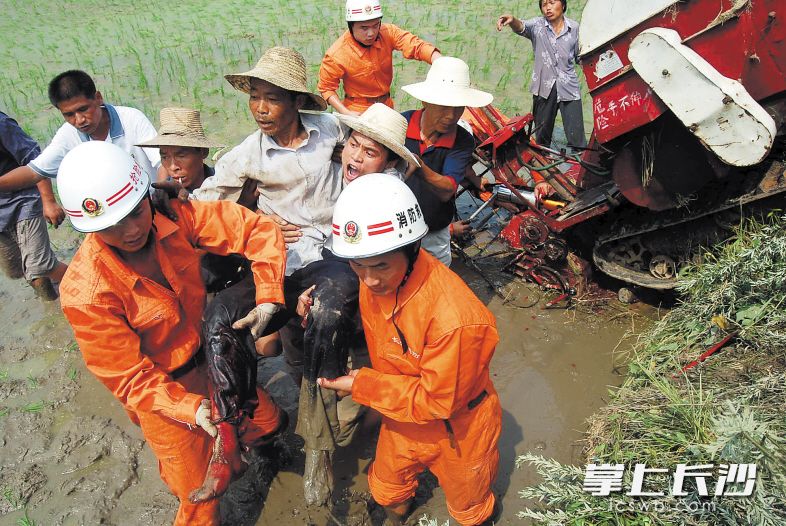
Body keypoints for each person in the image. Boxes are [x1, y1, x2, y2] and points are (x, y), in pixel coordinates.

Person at [57, 141, 288, 525]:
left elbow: (256, 230)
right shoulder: (85, 292)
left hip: (215, 364)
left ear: (146, 195)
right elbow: (128, 377)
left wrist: (267, 294)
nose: (131, 231)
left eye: (135, 213)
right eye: (111, 225)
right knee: (199, 498)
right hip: (163, 394)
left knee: (269, 423)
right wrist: (191, 409)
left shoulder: (176, 217)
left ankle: (252, 457)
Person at [190, 46, 359, 506]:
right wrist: (251, 217)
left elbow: (374, 147)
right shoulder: (248, 154)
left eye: (273, 98)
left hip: (330, 252)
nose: (261, 108)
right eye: (255, 97)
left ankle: (320, 429)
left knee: (328, 309)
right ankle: (231, 434)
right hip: (277, 259)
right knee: (220, 319)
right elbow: (205, 203)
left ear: (296, 102)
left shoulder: (331, 131)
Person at [316, 173, 501, 526]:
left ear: (413, 248)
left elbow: (437, 402)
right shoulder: (375, 280)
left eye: (381, 265)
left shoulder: (457, 320)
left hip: (459, 429)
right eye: (358, 265)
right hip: (400, 416)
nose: (369, 280)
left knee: (469, 510)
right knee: (388, 491)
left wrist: (362, 385)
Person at [0, 70, 161, 194]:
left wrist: (161, 191)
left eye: (83, 109)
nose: (79, 120)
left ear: (98, 98)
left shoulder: (131, 119)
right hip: (109, 213)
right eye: (69, 114)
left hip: (150, 199)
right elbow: (33, 173)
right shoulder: (67, 136)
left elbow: (162, 161)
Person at [400, 56, 493, 266]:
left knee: (436, 287)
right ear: (425, 100)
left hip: (434, 232)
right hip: (397, 227)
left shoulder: (462, 139)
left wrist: (419, 166)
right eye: (444, 106)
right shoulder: (400, 124)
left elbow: (447, 190)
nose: (451, 115)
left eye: (458, 107)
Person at [318, 0, 441, 116]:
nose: (371, 33)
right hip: (357, 110)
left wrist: (438, 60)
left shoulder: (388, 32)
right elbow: (326, 88)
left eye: (375, 25)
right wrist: (346, 113)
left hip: (386, 104)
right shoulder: (337, 53)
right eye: (364, 28)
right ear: (351, 26)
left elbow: (414, 45)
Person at [497, 0, 586, 150]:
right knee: (542, 139)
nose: (548, 8)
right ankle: (544, 166)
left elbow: (579, 56)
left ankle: (581, 167)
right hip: (544, 89)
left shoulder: (574, 28)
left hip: (569, 88)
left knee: (577, 139)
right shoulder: (537, 26)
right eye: (544, 4)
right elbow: (522, 27)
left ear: (563, 5)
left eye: (551, 2)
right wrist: (512, 20)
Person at [0, 112, 68, 300]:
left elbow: (35, 160)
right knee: (16, 270)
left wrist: (49, 201)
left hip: (23, 200)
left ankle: (93, 285)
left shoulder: (2, 124)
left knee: (40, 266)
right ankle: (52, 301)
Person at [337, 102, 420, 185]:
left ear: (390, 164)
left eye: (369, 153)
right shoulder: (329, 159)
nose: (355, 157)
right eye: (353, 145)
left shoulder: (386, 189)